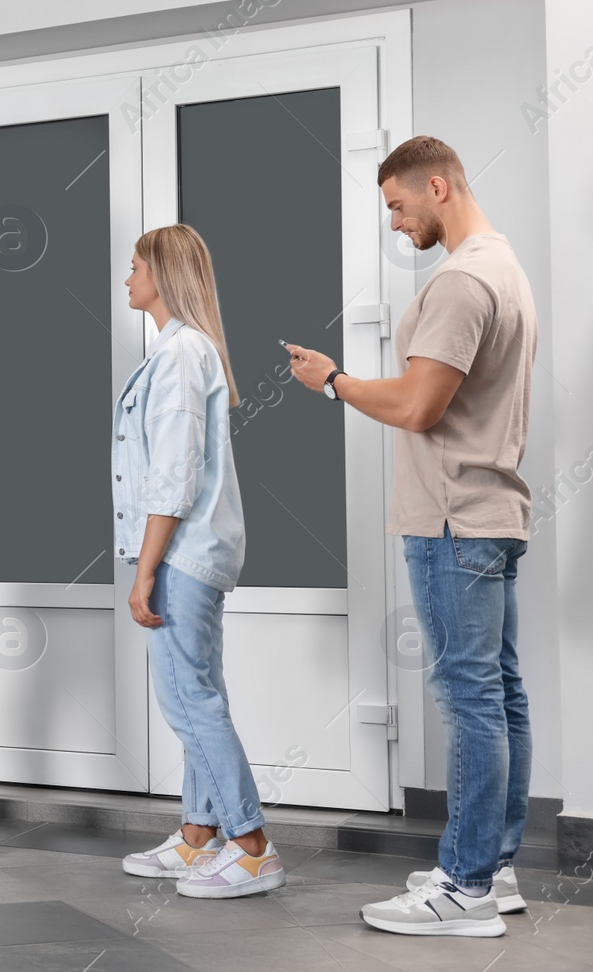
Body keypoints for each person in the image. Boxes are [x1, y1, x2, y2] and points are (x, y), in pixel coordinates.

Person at [289, 136, 536, 937]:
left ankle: (463, 888)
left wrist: (334, 381)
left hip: (450, 517)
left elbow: (420, 407)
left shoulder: (462, 280)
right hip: (492, 513)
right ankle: (492, 869)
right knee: (499, 692)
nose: (396, 223)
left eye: (399, 205)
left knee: (470, 699)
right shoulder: (507, 268)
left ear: (438, 185)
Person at [115, 224, 286, 898]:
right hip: (191, 550)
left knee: (189, 699)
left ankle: (252, 847)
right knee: (197, 691)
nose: (126, 277)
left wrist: (145, 570)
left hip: (183, 553)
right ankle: (198, 835)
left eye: (134, 267)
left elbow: (174, 476)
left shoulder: (183, 353)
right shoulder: (178, 350)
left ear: (161, 273)